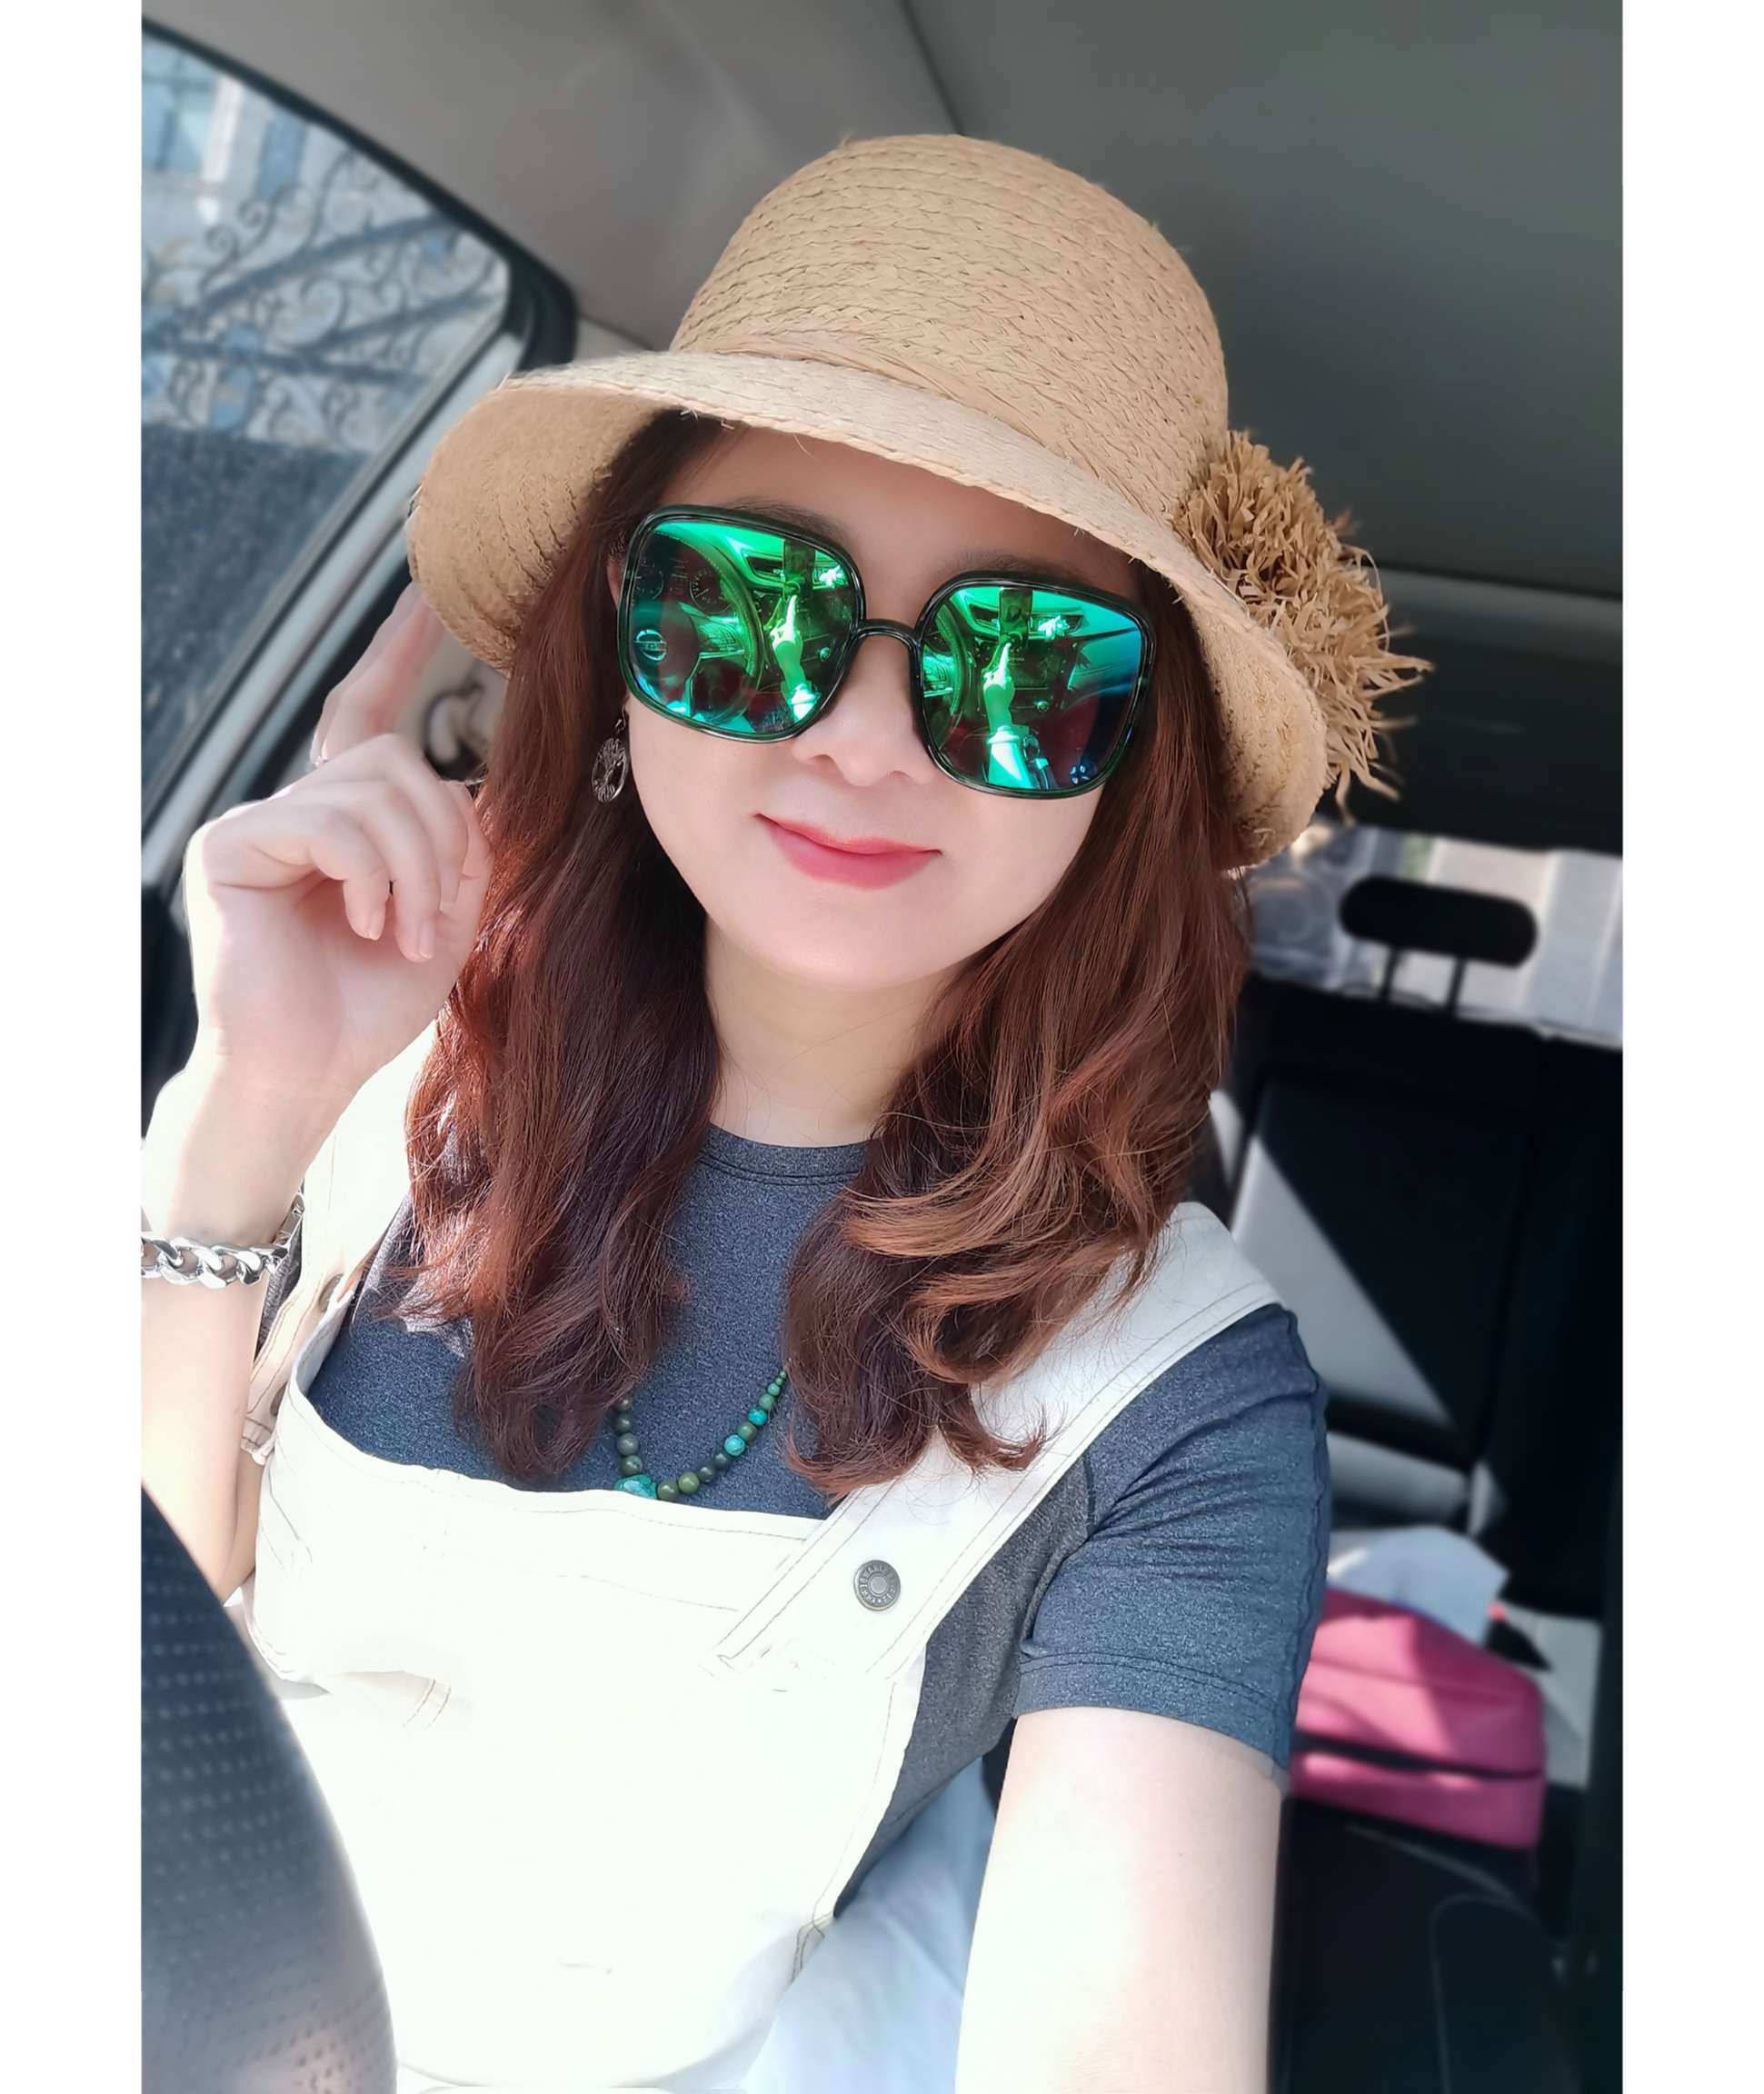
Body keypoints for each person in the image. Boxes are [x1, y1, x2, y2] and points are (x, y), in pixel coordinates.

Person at [141, 134, 1425, 2093]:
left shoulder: (1179, 1406)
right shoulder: (361, 1084)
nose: (860, 735)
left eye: (1020, 666)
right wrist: (245, 1114)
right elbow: (118, 1693)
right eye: (748, 607)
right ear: (619, 645)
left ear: (1126, 765)